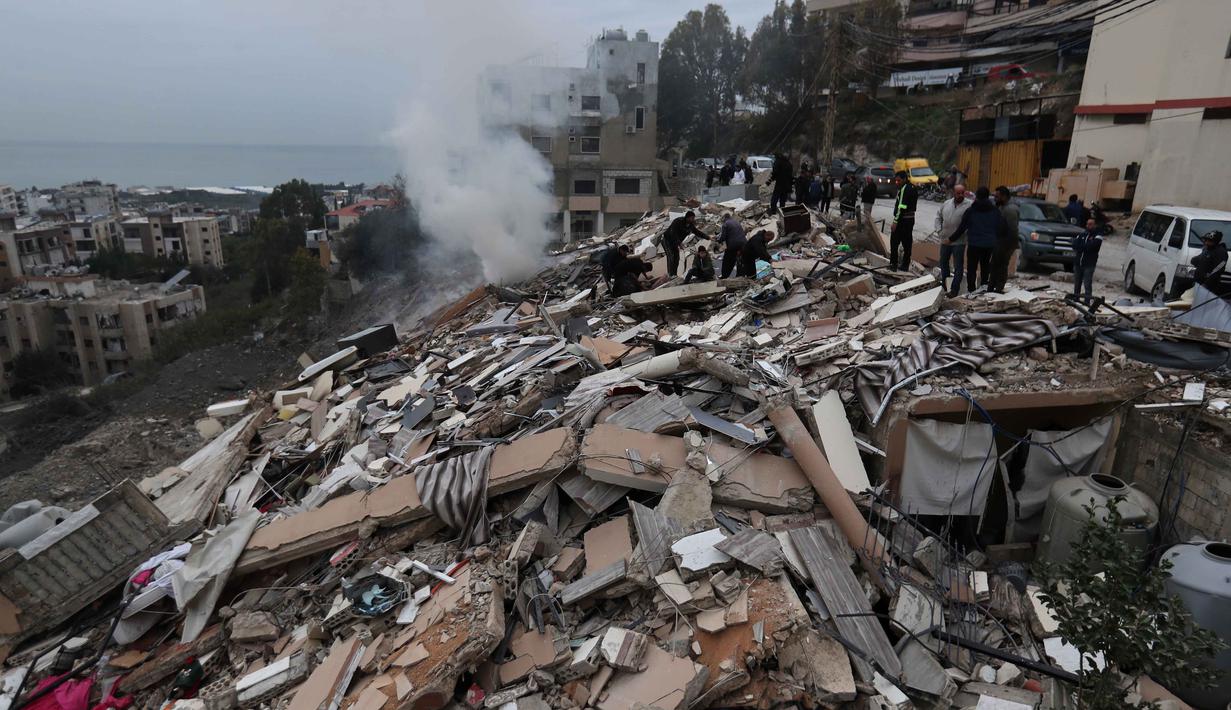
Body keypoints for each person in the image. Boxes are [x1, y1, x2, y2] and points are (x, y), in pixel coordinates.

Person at [948, 187, 1004, 293]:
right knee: (985, 267)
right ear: (988, 196)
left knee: (972, 269)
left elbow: (962, 227)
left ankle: (971, 290)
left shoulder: (971, 210)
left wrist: (951, 239)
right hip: (989, 245)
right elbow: (1000, 227)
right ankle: (983, 287)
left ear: (977, 196)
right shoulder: (995, 211)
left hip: (974, 244)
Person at [934, 184, 972, 297]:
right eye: (958, 193)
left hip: (959, 241)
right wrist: (938, 230)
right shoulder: (947, 203)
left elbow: (969, 224)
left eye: (962, 193)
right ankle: (945, 286)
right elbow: (938, 216)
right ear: (953, 193)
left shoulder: (969, 205)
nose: (960, 195)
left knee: (958, 266)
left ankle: (954, 290)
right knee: (943, 262)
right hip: (945, 240)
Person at [989, 185, 1019, 293]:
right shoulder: (1001, 206)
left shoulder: (1010, 209)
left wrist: (1008, 245)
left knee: (1001, 265)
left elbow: (1012, 229)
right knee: (994, 264)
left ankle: (998, 288)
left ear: (1004, 196)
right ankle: (991, 287)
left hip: (1006, 242)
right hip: (1000, 241)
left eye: (997, 197)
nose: (995, 199)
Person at [661, 210, 707, 278]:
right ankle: (670, 274)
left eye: (693, 218)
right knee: (671, 256)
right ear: (687, 217)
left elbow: (697, 232)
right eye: (692, 218)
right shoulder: (678, 221)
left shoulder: (690, 225)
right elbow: (673, 233)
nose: (693, 219)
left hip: (675, 242)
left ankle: (674, 274)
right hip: (667, 240)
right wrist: (679, 243)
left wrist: (707, 237)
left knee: (677, 257)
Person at [890, 171, 919, 271]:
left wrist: (895, 221)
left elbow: (901, 207)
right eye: (896, 180)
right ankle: (905, 265)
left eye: (898, 180)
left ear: (904, 179)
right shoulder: (913, 188)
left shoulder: (904, 189)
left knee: (894, 242)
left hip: (903, 220)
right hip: (910, 220)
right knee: (907, 243)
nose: (897, 182)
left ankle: (893, 264)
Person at [1071, 218, 1103, 304]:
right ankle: (1075, 300)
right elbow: (1074, 245)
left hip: (1089, 264)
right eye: (1087, 224)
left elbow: (1092, 247)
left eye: (1090, 224)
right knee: (1077, 283)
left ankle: (1087, 302)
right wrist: (1083, 246)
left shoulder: (1098, 236)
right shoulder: (1082, 234)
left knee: (1087, 284)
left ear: (1095, 225)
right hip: (1078, 263)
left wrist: (1081, 247)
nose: (1088, 226)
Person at [1192, 230, 1228, 294]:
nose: (1206, 242)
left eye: (1209, 241)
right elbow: (1197, 260)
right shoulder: (1207, 249)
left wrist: (1206, 284)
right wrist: (1194, 260)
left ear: (1215, 242)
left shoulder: (1221, 252)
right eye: (1206, 240)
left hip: (1208, 287)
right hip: (1198, 282)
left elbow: (1218, 270)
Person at [715, 212, 747, 279]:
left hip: (733, 245)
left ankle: (724, 276)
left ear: (724, 218)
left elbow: (723, 237)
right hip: (743, 243)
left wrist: (717, 240)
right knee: (740, 260)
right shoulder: (737, 222)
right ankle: (740, 276)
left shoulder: (725, 224)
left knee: (728, 260)